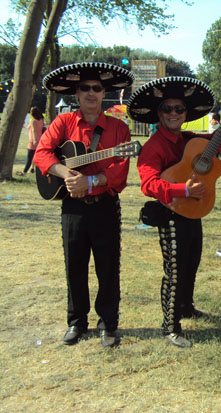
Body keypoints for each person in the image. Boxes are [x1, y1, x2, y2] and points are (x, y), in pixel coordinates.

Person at [129, 77, 221, 348]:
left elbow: (215, 140)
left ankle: (186, 307)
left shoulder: (190, 140)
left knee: (191, 262)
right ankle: (170, 325)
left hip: (194, 210)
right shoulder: (154, 146)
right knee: (174, 268)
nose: (173, 113)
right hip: (170, 212)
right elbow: (148, 184)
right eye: (167, 108)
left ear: (185, 114)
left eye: (178, 109)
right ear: (159, 114)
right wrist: (183, 189)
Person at [34, 62, 134, 348]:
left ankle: (108, 324)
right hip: (73, 208)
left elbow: (120, 170)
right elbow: (42, 154)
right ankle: (76, 322)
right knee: (74, 265)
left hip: (105, 206)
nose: (91, 93)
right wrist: (66, 174)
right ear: (77, 93)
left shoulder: (119, 129)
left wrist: (90, 183)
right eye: (85, 88)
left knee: (107, 266)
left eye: (97, 88)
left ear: (105, 94)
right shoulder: (63, 123)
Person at [17, 106, 44, 175]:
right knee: (35, 156)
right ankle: (32, 169)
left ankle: (24, 171)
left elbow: (34, 131)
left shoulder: (33, 121)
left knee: (29, 157)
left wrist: (34, 140)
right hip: (40, 140)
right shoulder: (40, 119)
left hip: (33, 141)